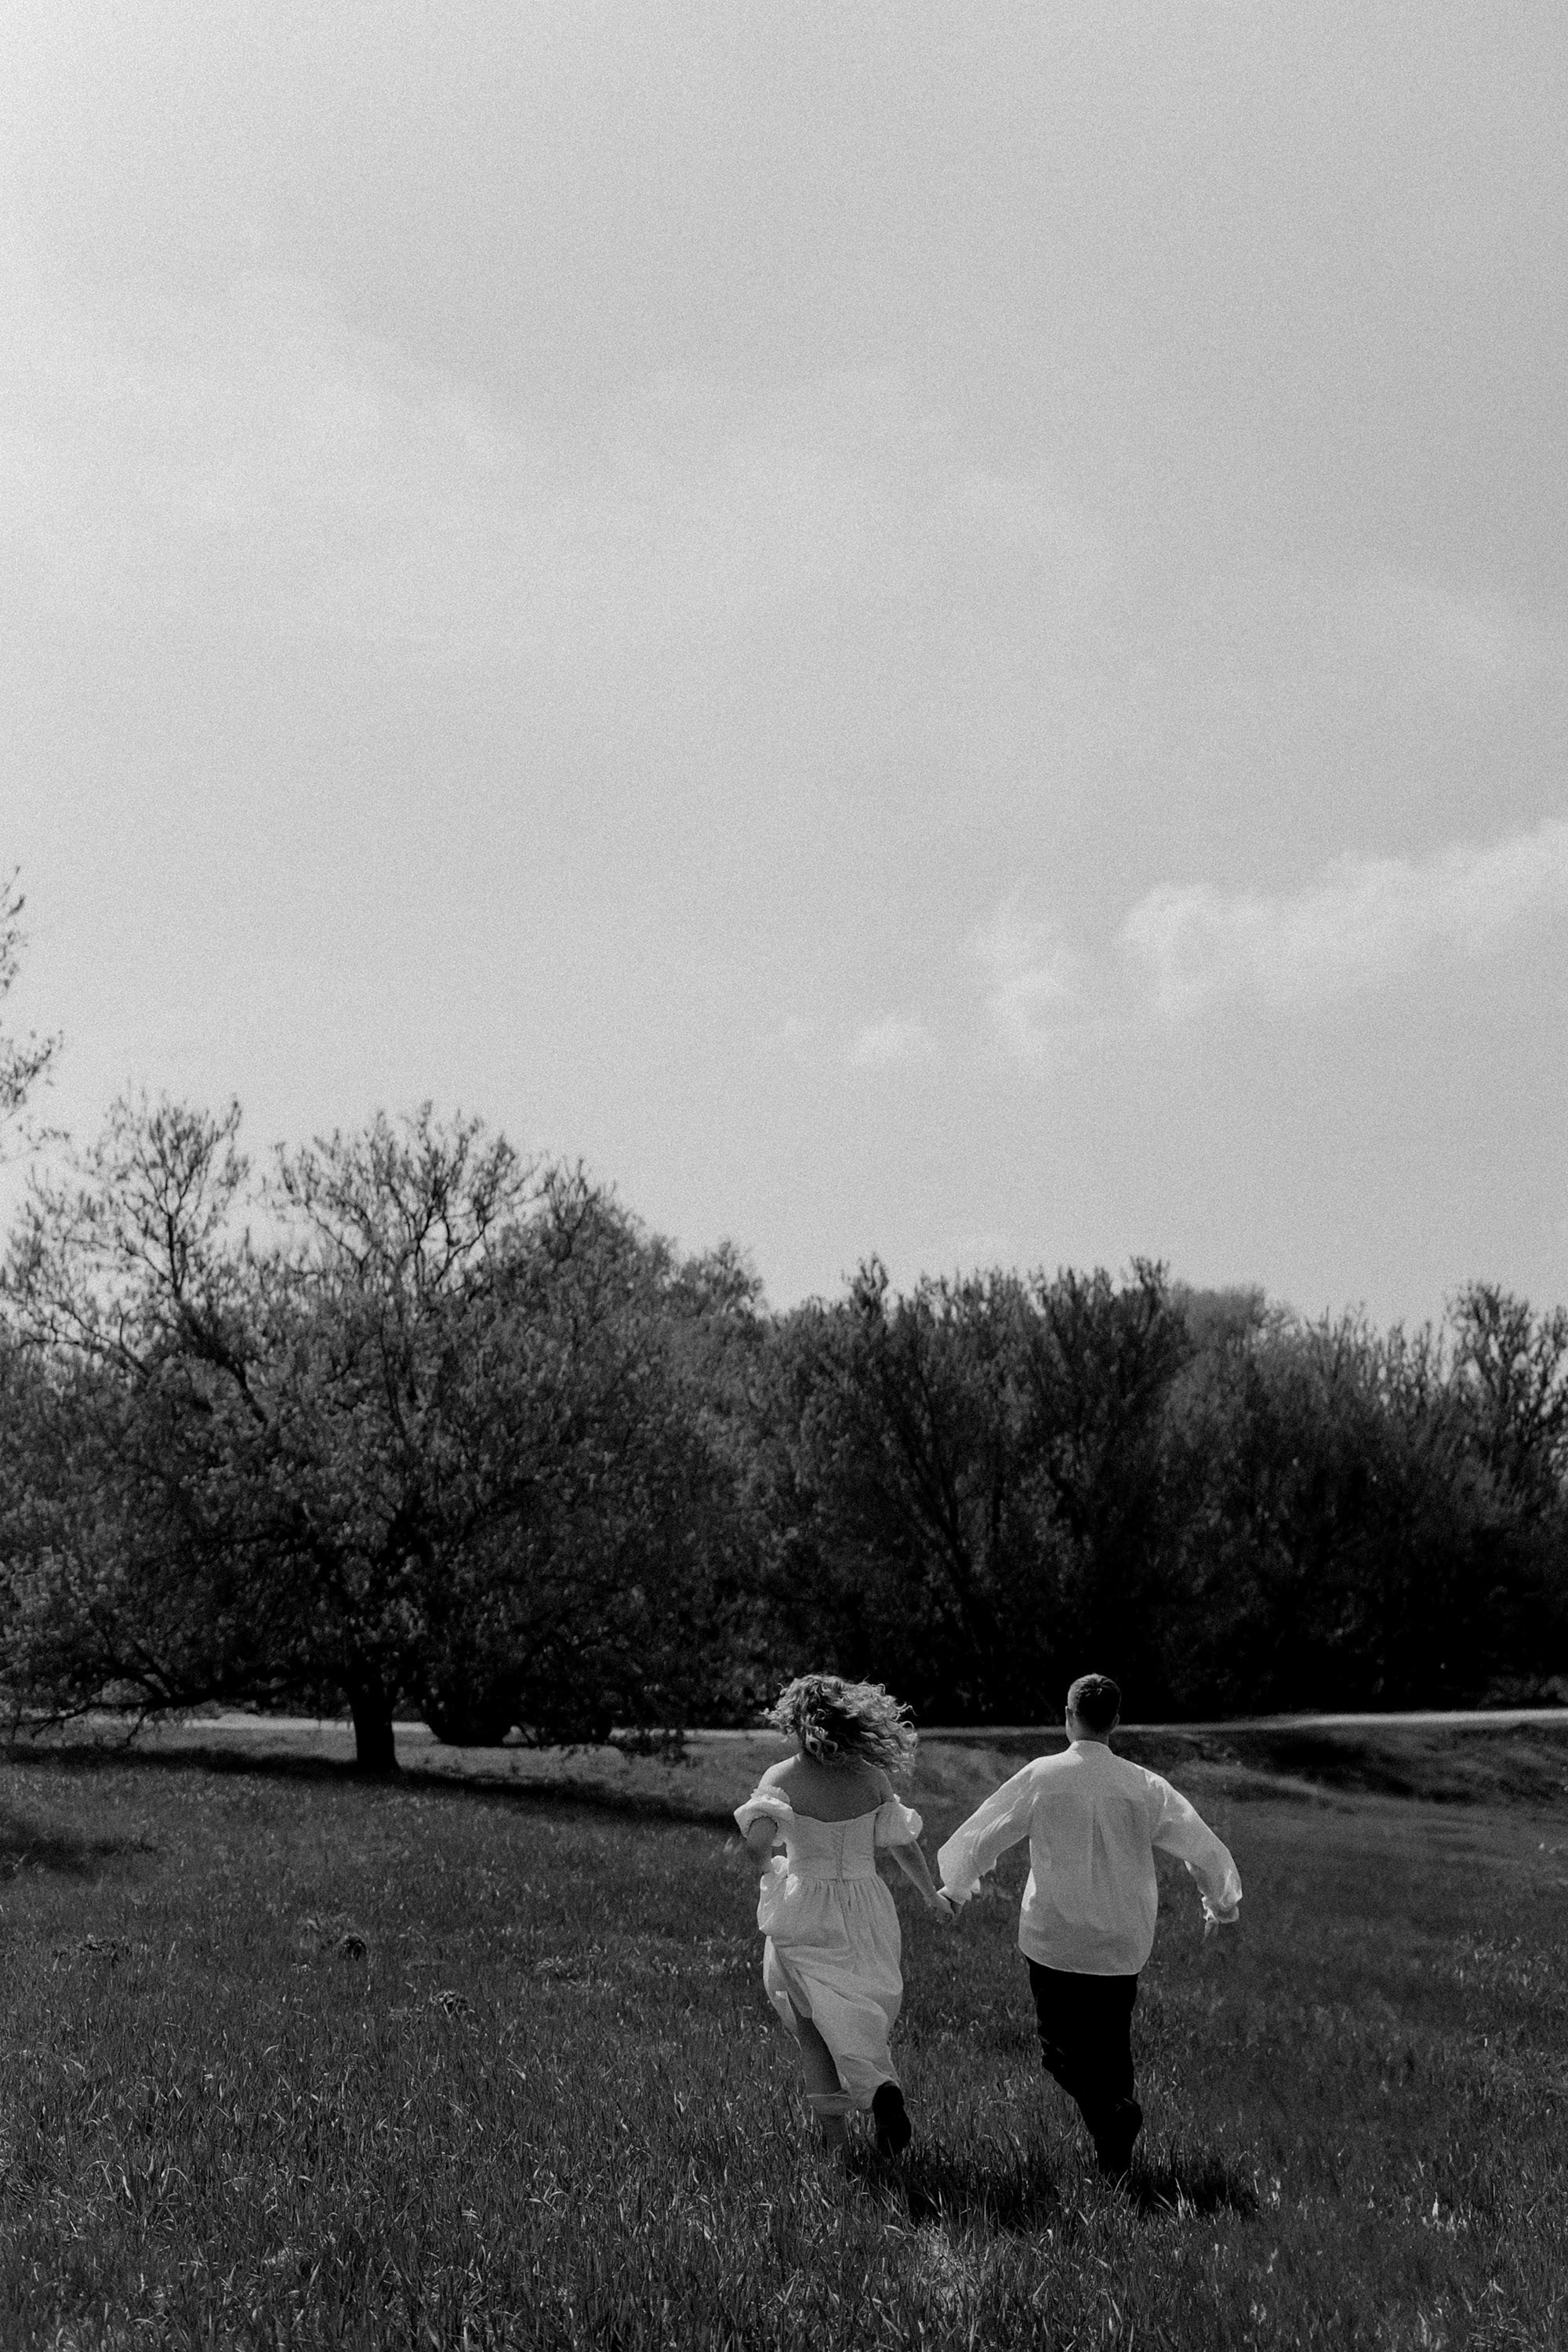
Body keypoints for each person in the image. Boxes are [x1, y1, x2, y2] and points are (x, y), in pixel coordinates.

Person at [938, 1673, 1241, 2181]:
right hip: (1122, 1939)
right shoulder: (1144, 1784)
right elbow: (1201, 1846)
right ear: (1115, 1722)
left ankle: (1110, 2114)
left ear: (1067, 1716)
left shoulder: (1042, 1776)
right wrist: (1221, 1905)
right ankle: (1116, 2161)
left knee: (1059, 2053)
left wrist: (958, 1886)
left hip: (1055, 1936)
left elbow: (983, 1834)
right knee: (1111, 2047)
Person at [735, 1673, 954, 2160]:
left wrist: (773, 1868)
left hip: (805, 1907)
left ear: (796, 1722)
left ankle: (839, 2144)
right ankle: (878, 2087)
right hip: (866, 1904)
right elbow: (905, 1846)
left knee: (812, 2026)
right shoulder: (871, 1778)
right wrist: (931, 1896)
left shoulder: (783, 1777)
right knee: (861, 2007)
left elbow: (756, 1844)